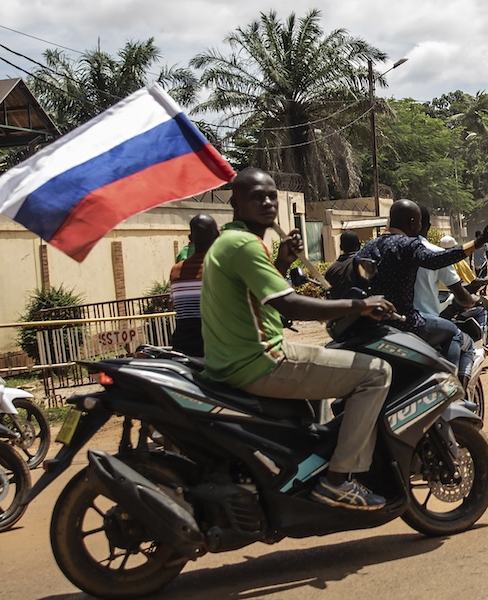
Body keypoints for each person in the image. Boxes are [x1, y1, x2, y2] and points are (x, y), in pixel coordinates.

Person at [200, 168, 396, 510]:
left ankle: (313, 465)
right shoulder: (245, 245)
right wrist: (360, 305)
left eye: (271, 195)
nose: (266, 202)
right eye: (255, 196)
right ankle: (338, 479)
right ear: (236, 203)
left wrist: (281, 261)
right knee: (376, 372)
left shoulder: (232, 242)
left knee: (323, 375)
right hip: (262, 360)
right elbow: (288, 303)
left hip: (236, 360)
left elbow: (254, 296)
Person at [357, 200, 488, 386]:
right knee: (455, 333)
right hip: (408, 321)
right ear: (413, 221)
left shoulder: (368, 248)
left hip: (374, 325)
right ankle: (452, 388)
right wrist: (476, 243)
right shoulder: (407, 245)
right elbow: (436, 260)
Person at [414, 207, 483, 346]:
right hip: (430, 315)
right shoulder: (438, 255)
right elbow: (469, 282)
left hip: (399, 322)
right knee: (461, 338)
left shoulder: (388, 253)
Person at [169, 214, 220, 357]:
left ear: (190, 239)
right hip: (217, 350)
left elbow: (175, 306)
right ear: (217, 236)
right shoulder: (222, 268)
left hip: (183, 348)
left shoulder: (176, 271)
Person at [323, 231, 366, 300]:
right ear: (359, 245)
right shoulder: (363, 264)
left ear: (341, 247)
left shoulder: (331, 270)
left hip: (338, 309)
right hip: (360, 308)